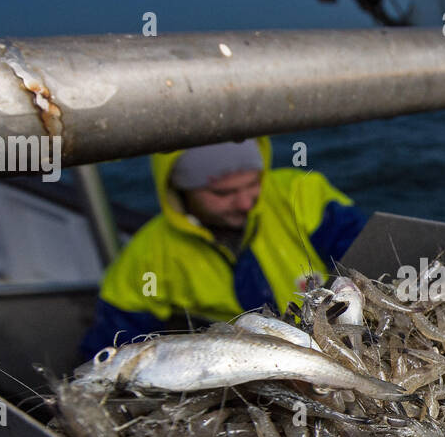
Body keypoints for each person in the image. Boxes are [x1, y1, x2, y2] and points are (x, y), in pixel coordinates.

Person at [79, 137, 369, 358]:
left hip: (334, 347)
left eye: (253, 183)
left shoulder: (301, 194)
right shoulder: (148, 256)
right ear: (181, 189)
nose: (245, 202)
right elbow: (116, 343)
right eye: (223, 192)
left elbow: (366, 257)